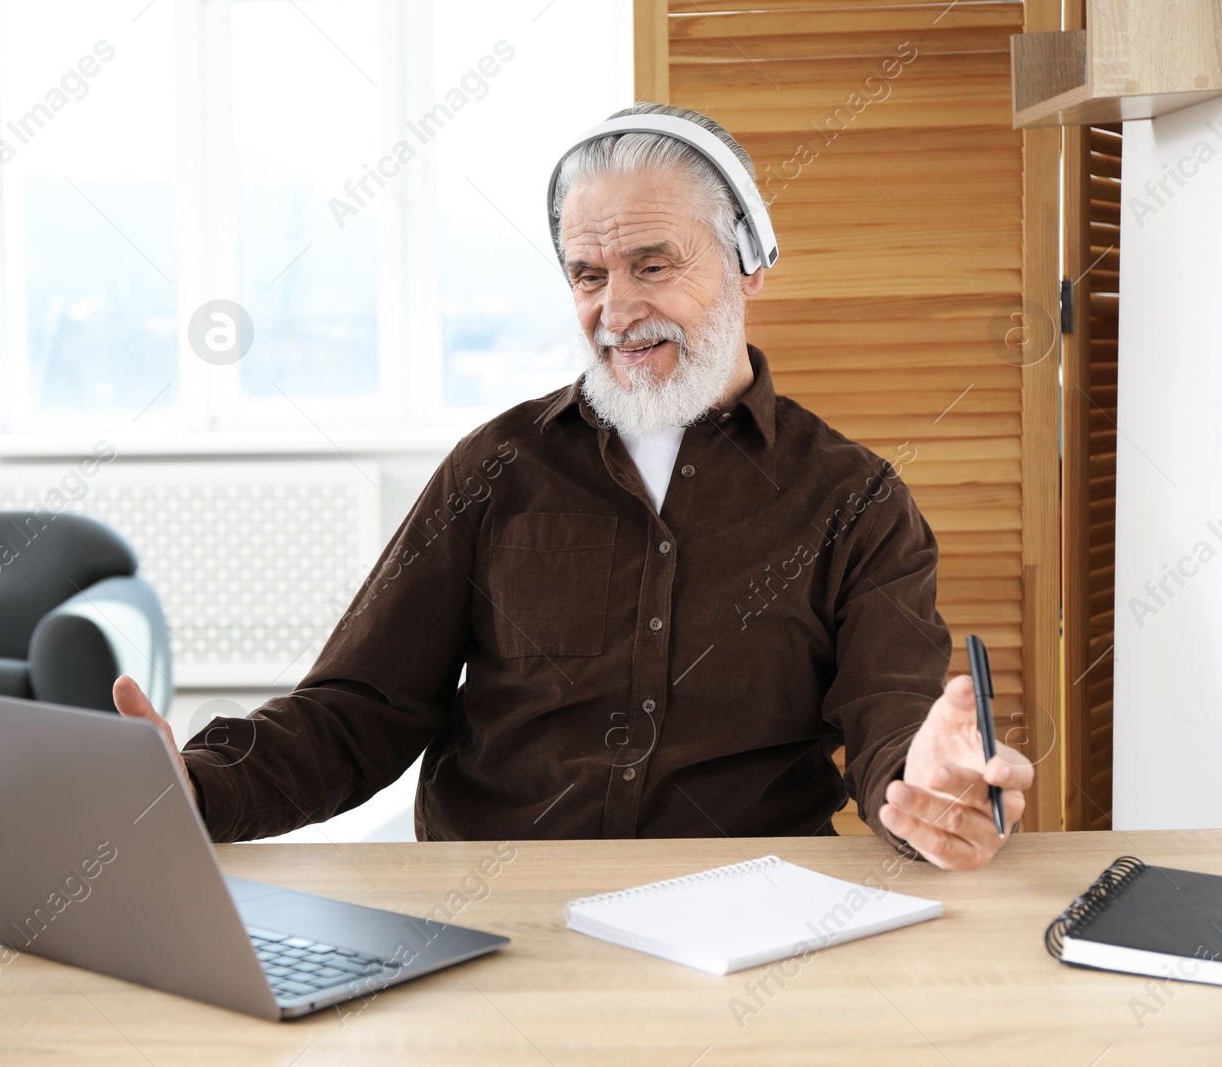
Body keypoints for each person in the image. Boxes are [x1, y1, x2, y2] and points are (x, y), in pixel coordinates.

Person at [114, 102, 1032, 872]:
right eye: (588, 275)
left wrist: (926, 785)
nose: (616, 308)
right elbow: (360, 709)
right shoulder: (496, 467)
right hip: (496, 912)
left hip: (744, 916)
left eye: (653, 266)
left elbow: (889, 727)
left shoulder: (858, 501)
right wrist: (197, 783)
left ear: (751, 262)